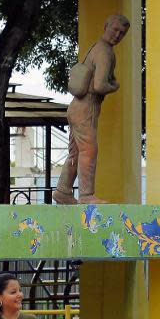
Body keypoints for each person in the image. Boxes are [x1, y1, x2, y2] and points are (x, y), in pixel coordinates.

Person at [53, 13, 130, 205]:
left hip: (75, 107)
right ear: (106, 26)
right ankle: (86, 195)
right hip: (87, 105)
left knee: (76, 152)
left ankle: (63, 190)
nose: (117, 35)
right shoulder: (105, 52)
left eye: (122, 33)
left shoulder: (95, 48)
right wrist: (115, 86)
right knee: (88, 150)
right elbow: (99, 86)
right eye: (115, 30)